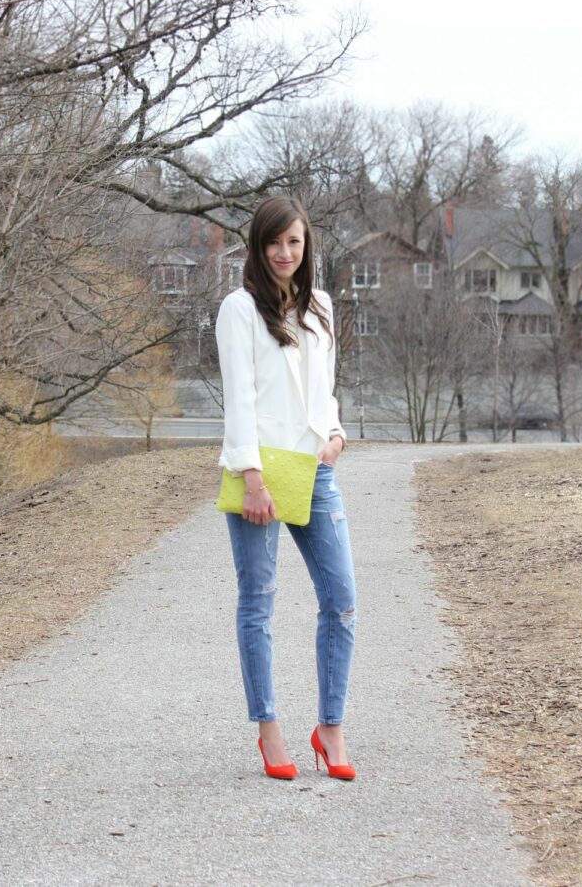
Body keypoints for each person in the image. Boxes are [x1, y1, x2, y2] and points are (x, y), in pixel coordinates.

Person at [215, 195, 358, 781]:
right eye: (274, 242)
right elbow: (240, 398)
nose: (284, 253)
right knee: (260, 601)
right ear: (258, 246)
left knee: (342, 600)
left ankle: (330, 729)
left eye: (294, 242)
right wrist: (251, 477)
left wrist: (337, 433)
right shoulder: (239, 309)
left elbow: (324, 389)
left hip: (314, 469)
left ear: (307, 245)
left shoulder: (320, 306)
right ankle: (269, 730)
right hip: (258, 473)